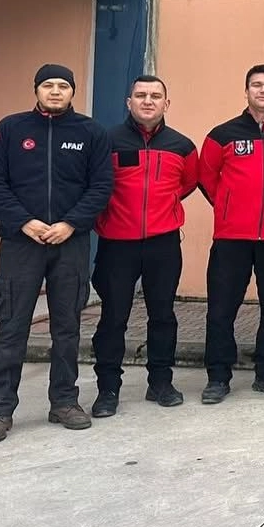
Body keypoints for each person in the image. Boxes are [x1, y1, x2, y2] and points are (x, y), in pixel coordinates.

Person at [0, 64, 112, 444]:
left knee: (67, 327)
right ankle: (0, 410)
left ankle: (64, 402)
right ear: (36, 89)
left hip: (70, 243)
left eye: (63, 85)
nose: (55, 91)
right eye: (48, 85)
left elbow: (101, 185)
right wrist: (23, 222)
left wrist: (71, 223)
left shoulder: (90, 133)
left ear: (72, 91)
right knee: (11, 326)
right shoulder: (10, 129)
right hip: (21, 244)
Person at [90, 75, 199, 418]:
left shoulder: (182, 145)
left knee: (163, 315)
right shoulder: (106, 141)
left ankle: (161, 383)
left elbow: (187, 184)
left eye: (155, 95)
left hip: (163, 244)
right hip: (116, 244)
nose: (148, 101)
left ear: (167, 103)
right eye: (140, 95)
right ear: (129, 102)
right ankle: (108, 389)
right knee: (113, 317)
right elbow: (94, 185)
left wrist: (160, 212)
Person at [198, 65, 264, 403]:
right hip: (232, 238)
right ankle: (218, 377)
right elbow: (206, 176)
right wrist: (228, 207)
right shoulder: (222, 134)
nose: (263, 91)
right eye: (256, 85)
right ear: (246, 91)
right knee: (221, 310)